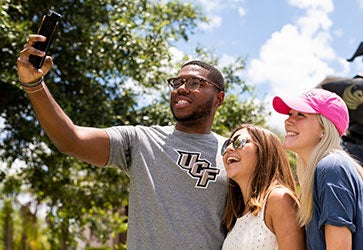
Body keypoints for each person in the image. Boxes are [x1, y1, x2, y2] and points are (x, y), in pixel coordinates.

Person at [17, 34, 228, 249]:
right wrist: (34, 85)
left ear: (218, 98)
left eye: (195, 83)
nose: (182, 88)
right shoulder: (140, 141)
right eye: (177, 82)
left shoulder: (233, 153)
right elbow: (71, 140)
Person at [272, 88, 363, 249]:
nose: (288, 121)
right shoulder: (334, 167)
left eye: (301, 115)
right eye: (290, 114)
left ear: (324, 128)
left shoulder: (331, 168)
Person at [221, 124, 306, 249]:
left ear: (264, 151)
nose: (229, 148)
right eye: (227, 144)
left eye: (238, 142)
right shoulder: (238, 214)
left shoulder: (279, 199)